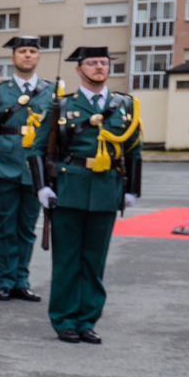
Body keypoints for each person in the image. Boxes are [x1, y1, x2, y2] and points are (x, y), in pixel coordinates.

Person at [42, 44, 141, 343]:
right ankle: (64, 320)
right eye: (92, 63)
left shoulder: (125, 106)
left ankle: (87, 320)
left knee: (95, 261)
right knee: (67, 261)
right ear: (79, 69)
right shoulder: (61, 106)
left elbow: (134, 150)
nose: (99, 67)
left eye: (104, 62)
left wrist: (132, 188)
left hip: (106, 190)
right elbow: (38, 149)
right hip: (69, 188)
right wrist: (42, 185)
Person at [0, 35, 55, 304]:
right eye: (22, 51)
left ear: (38, 57)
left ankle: (22, 280)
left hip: (34, 169)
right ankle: (5, 280)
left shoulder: (51, 91)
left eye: (32, 51)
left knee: (27, 228)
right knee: (3, 227)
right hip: (5, 165)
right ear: (13, 57)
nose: (27, 55)